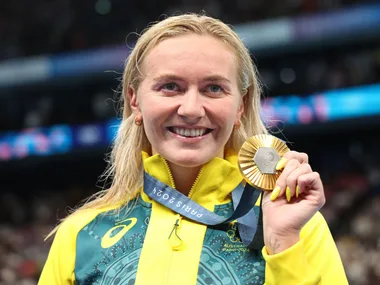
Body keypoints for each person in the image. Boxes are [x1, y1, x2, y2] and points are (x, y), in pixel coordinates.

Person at [38, 13, 348, 285]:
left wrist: (282, 243)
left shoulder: (296, 224)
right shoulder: (80, 235)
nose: (190, 109)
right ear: (135, 101)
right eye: (170, 86)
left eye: (213, 88)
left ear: (240, 106)